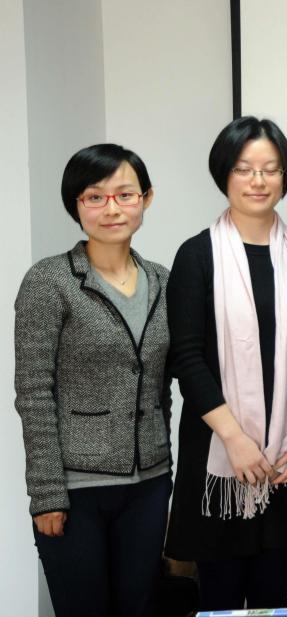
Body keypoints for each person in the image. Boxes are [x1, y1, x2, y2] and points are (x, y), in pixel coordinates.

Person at [163, 117, 287, 610]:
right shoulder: (197, 255)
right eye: (244, 168)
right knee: (220, 598)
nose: (258, 180)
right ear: (224, 174)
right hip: (217, 456)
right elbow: (187, 359)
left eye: (271, 169)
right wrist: (235, 439)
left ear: (285, 176)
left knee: (274, 595)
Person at [14, 144, 171, 616]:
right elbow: (33, 393)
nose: (112, 208)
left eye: (125, 194)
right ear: (76, 205)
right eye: (95, 197)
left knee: (140, 606)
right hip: (75, 489)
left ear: (146, 198)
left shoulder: (163, 281)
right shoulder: (50, 281)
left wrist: (165, 461)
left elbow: (161, 384)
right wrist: (46, 493)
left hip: (149, 483)